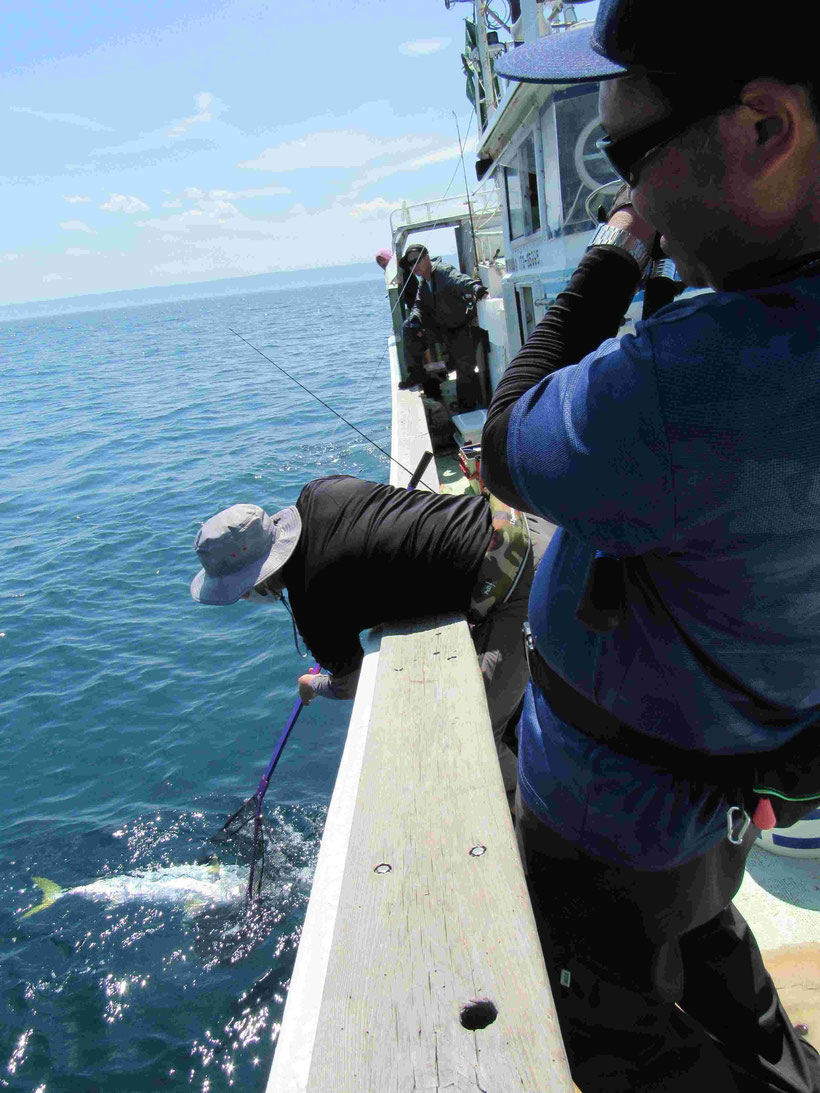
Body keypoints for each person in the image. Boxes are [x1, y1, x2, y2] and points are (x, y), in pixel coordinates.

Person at [482, 3, 820, 1091]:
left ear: (764, 127)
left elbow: (501, 435)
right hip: (717, 794)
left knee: (612, 1036)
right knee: (710, 929)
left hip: (610, 822)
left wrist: (618, 252)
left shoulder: (694, 382)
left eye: (624, 156)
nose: (623, 196)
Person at [189, 475, 535, 795]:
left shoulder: (313, 603)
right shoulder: (319, 491)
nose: (247, 596)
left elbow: (349, 684)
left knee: (474, 737)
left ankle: (533, 825)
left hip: (514, 583)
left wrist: (312, 685)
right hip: (518, 516)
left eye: (242, 590)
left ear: (258, 579)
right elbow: (378, 543)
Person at [400, 244, 488, 410]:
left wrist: (475, 287)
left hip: (459, 328)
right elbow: (419, 303)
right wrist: (415, 319)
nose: (414, 266)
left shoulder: (442, 271)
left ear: (427, 258)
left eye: (417, 261)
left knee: (465, 367)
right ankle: (416, 373)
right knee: (408, 327)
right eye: (411, 264)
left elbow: (458, 279)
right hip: (441, 329)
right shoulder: (423, 282)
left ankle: (467, 405)